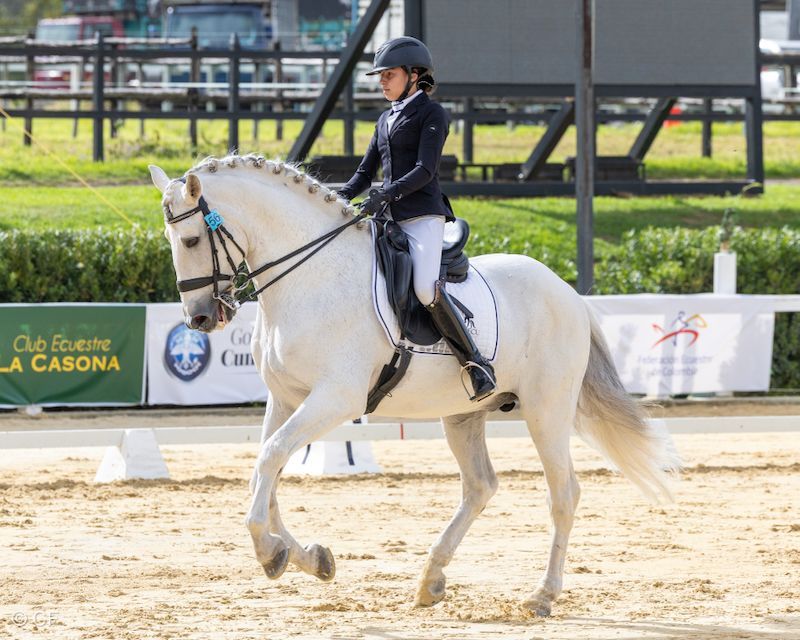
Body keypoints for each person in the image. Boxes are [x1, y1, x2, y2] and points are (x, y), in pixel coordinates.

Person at [337, 36, 496, 402]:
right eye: (380, 75)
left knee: (425, 287)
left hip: (422, 215)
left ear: (414, 75)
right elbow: (363, 175)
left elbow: (426, 170)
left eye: (389, 74)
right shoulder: (385, 118)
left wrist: (387, 193)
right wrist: (334, 199)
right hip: (388, 218)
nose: (382, 81)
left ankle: (474, 363)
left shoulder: (431, 114)